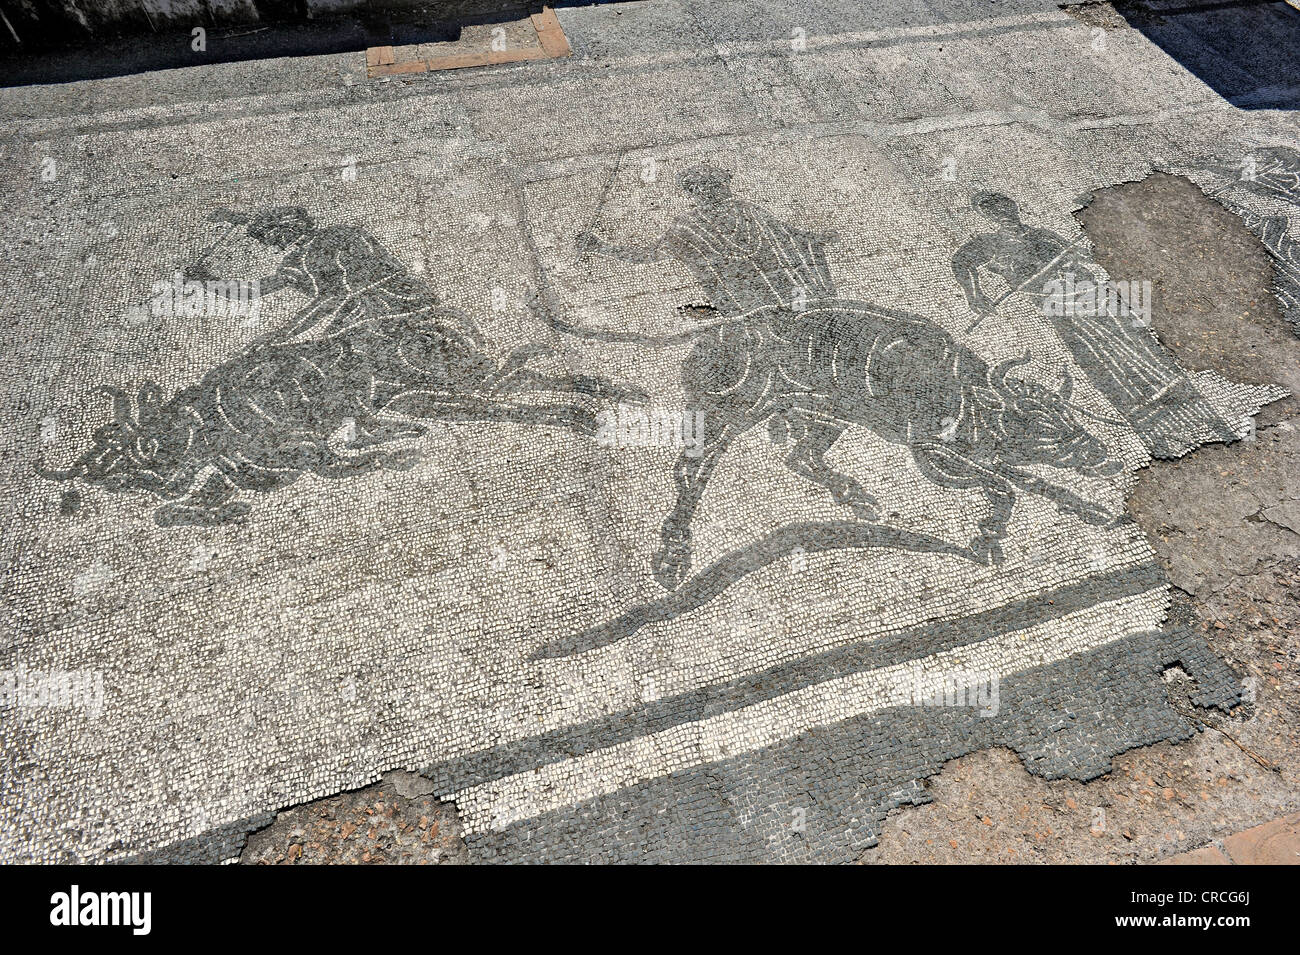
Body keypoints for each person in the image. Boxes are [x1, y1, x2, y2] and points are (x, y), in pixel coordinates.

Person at [951, 191, 1231, 456]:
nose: (1003, 213)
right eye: (994, 211)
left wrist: (1099, 243)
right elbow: (962, 263)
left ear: (1014, 207)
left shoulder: (1043, 235)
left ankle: (1170, 386)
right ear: (988, 217)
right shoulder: (989, 244)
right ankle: (1139, 404)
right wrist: (974, 295)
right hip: (1060, 304)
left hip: (1091, 292)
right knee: (1098, 348)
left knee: (1132, 335)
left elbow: (1083, 257)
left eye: (1005, 206)